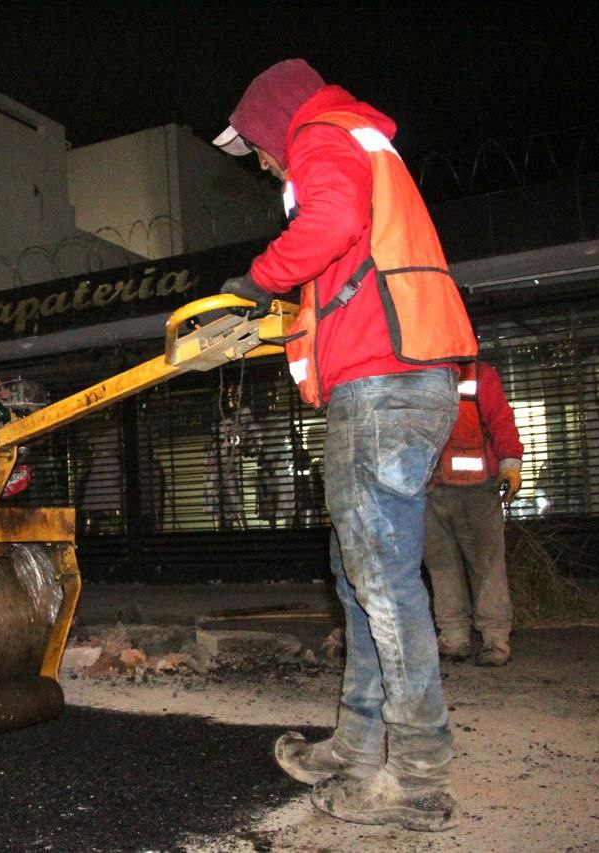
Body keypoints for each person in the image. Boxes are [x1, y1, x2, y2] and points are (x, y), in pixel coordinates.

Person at [213, 58, 479, 831]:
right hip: (399, 373)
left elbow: (325, 226)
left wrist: (257, 280)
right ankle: (359, 745)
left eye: (259, 151)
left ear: (273, 125)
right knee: (359, 571)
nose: (264, 166)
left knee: (384, 582)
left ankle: (420, 774)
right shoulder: (361, 141)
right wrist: (278, 319)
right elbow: (347, 264)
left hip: (383, 379)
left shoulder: (322, 137)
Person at [423, 360, 523, 666]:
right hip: (429, 488)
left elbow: (500, 419)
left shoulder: (479, 375)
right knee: (442, 567)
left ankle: (494, 640)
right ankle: (454, 637)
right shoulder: (416, 375)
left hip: (476, 490)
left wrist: (509, 464)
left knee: (486, 565)